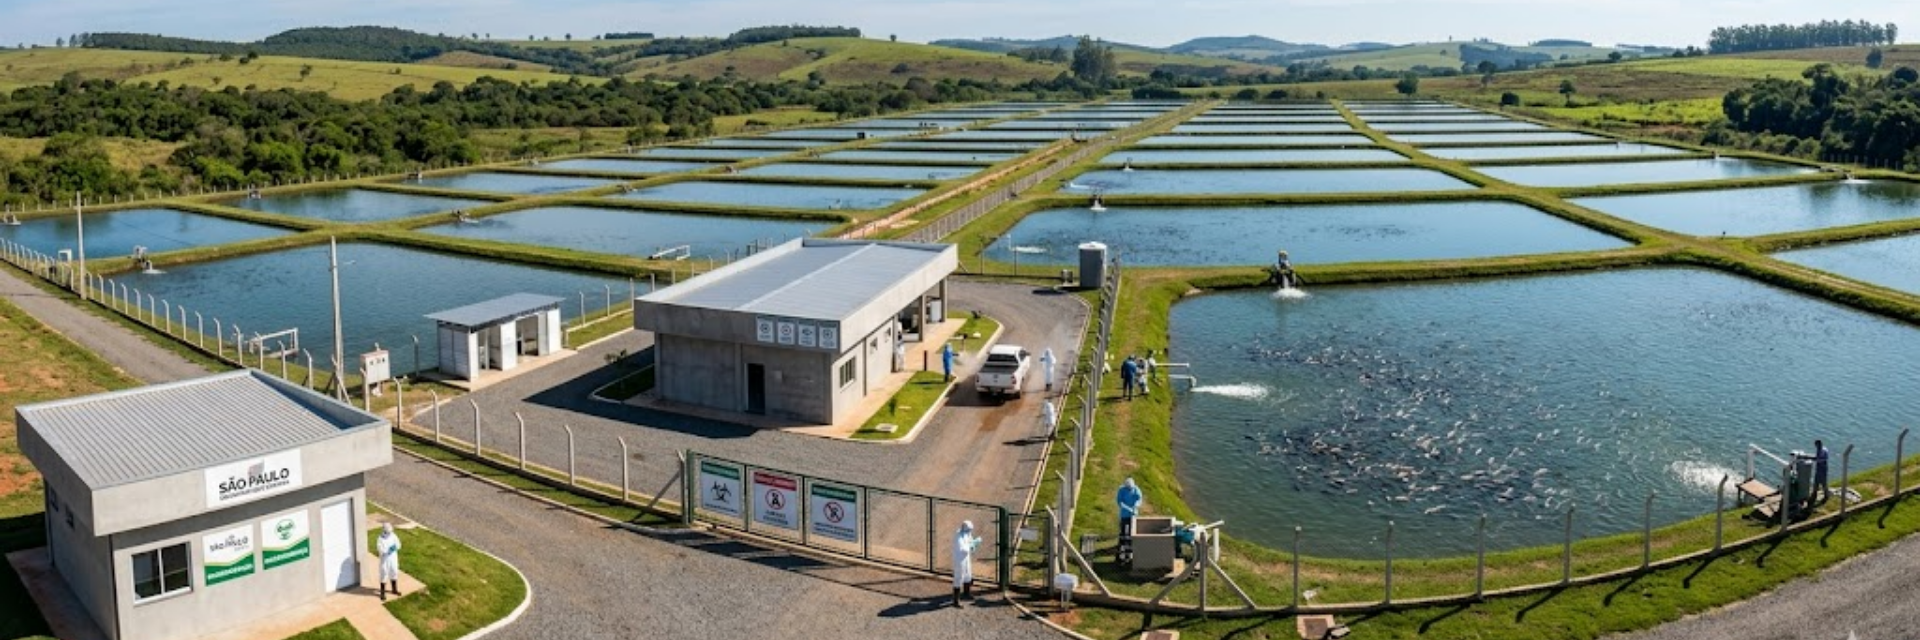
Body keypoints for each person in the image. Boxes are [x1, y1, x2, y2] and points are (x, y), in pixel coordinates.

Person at [952, 521, 979, 606]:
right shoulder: (958, 536)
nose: (970, 531)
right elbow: (963, 548)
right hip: (959, 559)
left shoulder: (967, 534)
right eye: (969, 529)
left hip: (966, 558)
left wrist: (975, 543)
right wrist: (971, 547)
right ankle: (956, 600)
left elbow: (971, 543)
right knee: (959, 577)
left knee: (968, 575)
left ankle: (966, 594)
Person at [377, 523, 402, 601]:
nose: (389, 533)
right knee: (384, 574)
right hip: (385, 560)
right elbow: (380, 549)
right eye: (388, 532)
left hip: (393, 558)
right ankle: (382, 593)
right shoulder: (380, 539)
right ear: (384, 531)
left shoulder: (393, 535)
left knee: (394, 571)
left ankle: (394, 590)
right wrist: (386, 551)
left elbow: (398, 544)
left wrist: (394, 548)